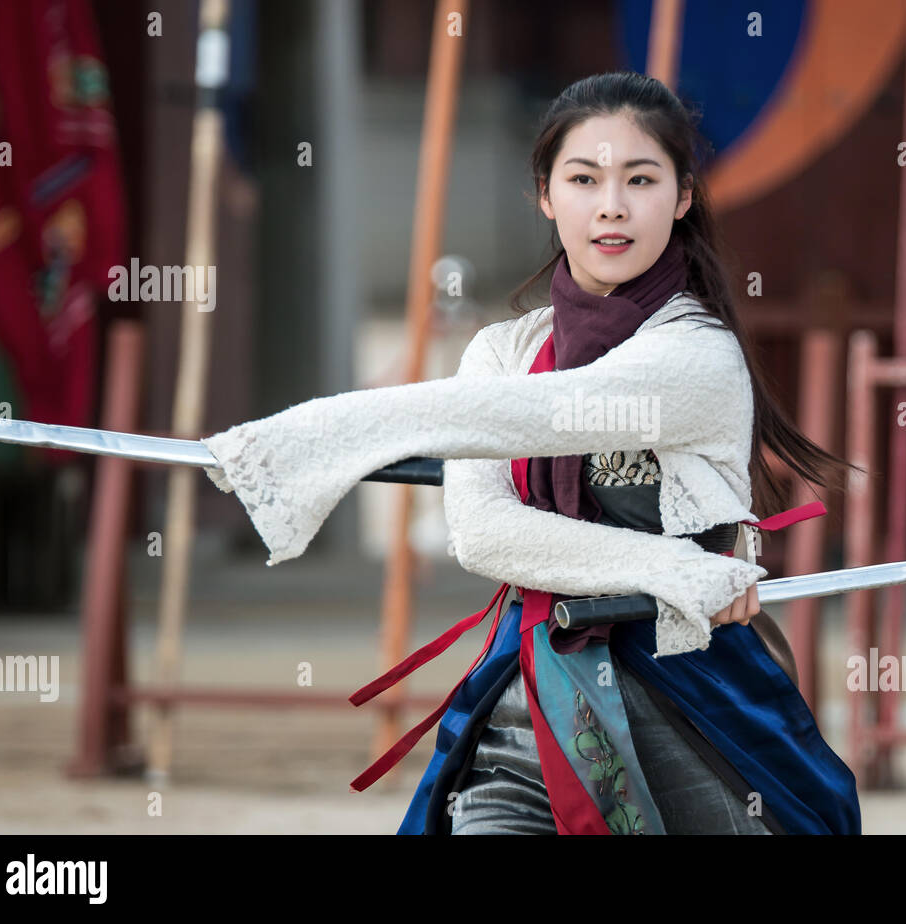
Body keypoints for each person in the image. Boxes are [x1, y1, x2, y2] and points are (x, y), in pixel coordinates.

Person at [201, 71, 861, 835]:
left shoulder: (699, 354)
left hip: (691, 708)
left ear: (683, 196)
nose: (611, 206)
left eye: (640, 179)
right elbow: (484, 533)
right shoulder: (501, 352)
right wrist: (672, 567)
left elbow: (543, 415)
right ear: (545, 195)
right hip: (531, 699)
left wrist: (309, 438)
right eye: (583, 179)